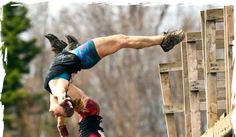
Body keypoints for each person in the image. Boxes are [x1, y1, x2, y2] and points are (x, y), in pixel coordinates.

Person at [44, 30, 185, 119]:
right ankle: (163, 40)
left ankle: (64, 49)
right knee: (122, 40)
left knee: (62, 64)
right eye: (59, 114)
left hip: (71, 61)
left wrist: (61, 124)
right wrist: (63, 98)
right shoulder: (58, 89)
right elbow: (61, 93)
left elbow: (59, 100)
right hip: (83, 56)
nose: (54, 114)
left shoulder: (51, 90)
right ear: (63, 102)